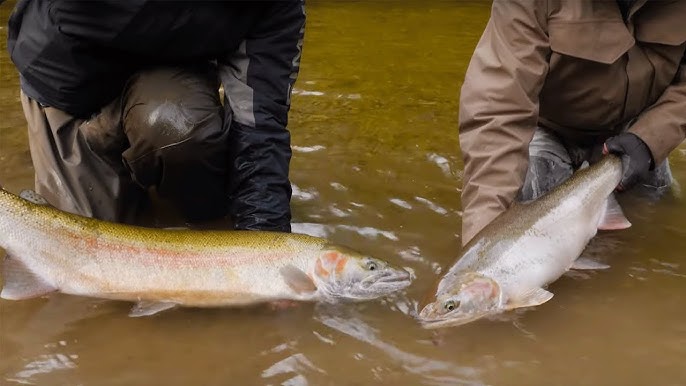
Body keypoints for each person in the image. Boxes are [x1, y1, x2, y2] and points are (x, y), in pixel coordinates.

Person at [6, 0, 305, 232]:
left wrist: (263, 231)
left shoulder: (277, 7)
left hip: (168, 82)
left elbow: (260, 125)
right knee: (82, 264)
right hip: (66, 87)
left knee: (182, 129)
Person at [458, 0, 686, 245]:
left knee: (658, 219)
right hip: (547, 129)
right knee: (538, 241)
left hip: (637, 134)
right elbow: (499, 109)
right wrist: (482, 249)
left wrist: (650, 140)